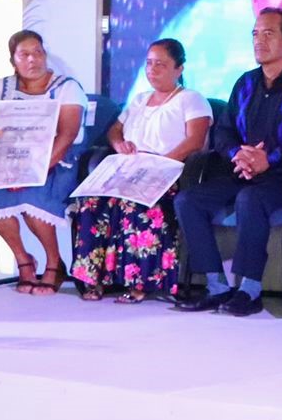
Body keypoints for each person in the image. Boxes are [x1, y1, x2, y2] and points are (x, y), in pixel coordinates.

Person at [173, 8, 282, 316]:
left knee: (250, 199)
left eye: (269, 34)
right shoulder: (245, 83)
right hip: (239, 172)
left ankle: (250, 290)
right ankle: (217, 286)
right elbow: (223, 130)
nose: (259, 41)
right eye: (255, 34)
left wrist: (269, 159)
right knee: (187, 200)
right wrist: (237, 154)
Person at [70, 38, 212, 303]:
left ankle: (139, 283)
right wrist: (118, 144)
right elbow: (115, 129)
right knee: (91, 203)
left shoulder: (192, 99)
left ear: (179, 69)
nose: (152, 70)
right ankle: (96, 279)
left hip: (167, 172)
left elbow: (195, 141)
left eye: (161, 64)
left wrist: (159, 162)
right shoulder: (139, 99)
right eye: (149, 64)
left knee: (135, 206)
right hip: (129, 169)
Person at [0, 30, 89, 297]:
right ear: (13, 60)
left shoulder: (67, 87)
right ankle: (24, 261)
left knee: (32, 197)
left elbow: (68, 134)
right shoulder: (0, 88)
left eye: (38, 52)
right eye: (25, 54)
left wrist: (36, 170)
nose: (33, 59)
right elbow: (0, 131)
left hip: (59, 158)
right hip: (12, 159)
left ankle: (54, 263)